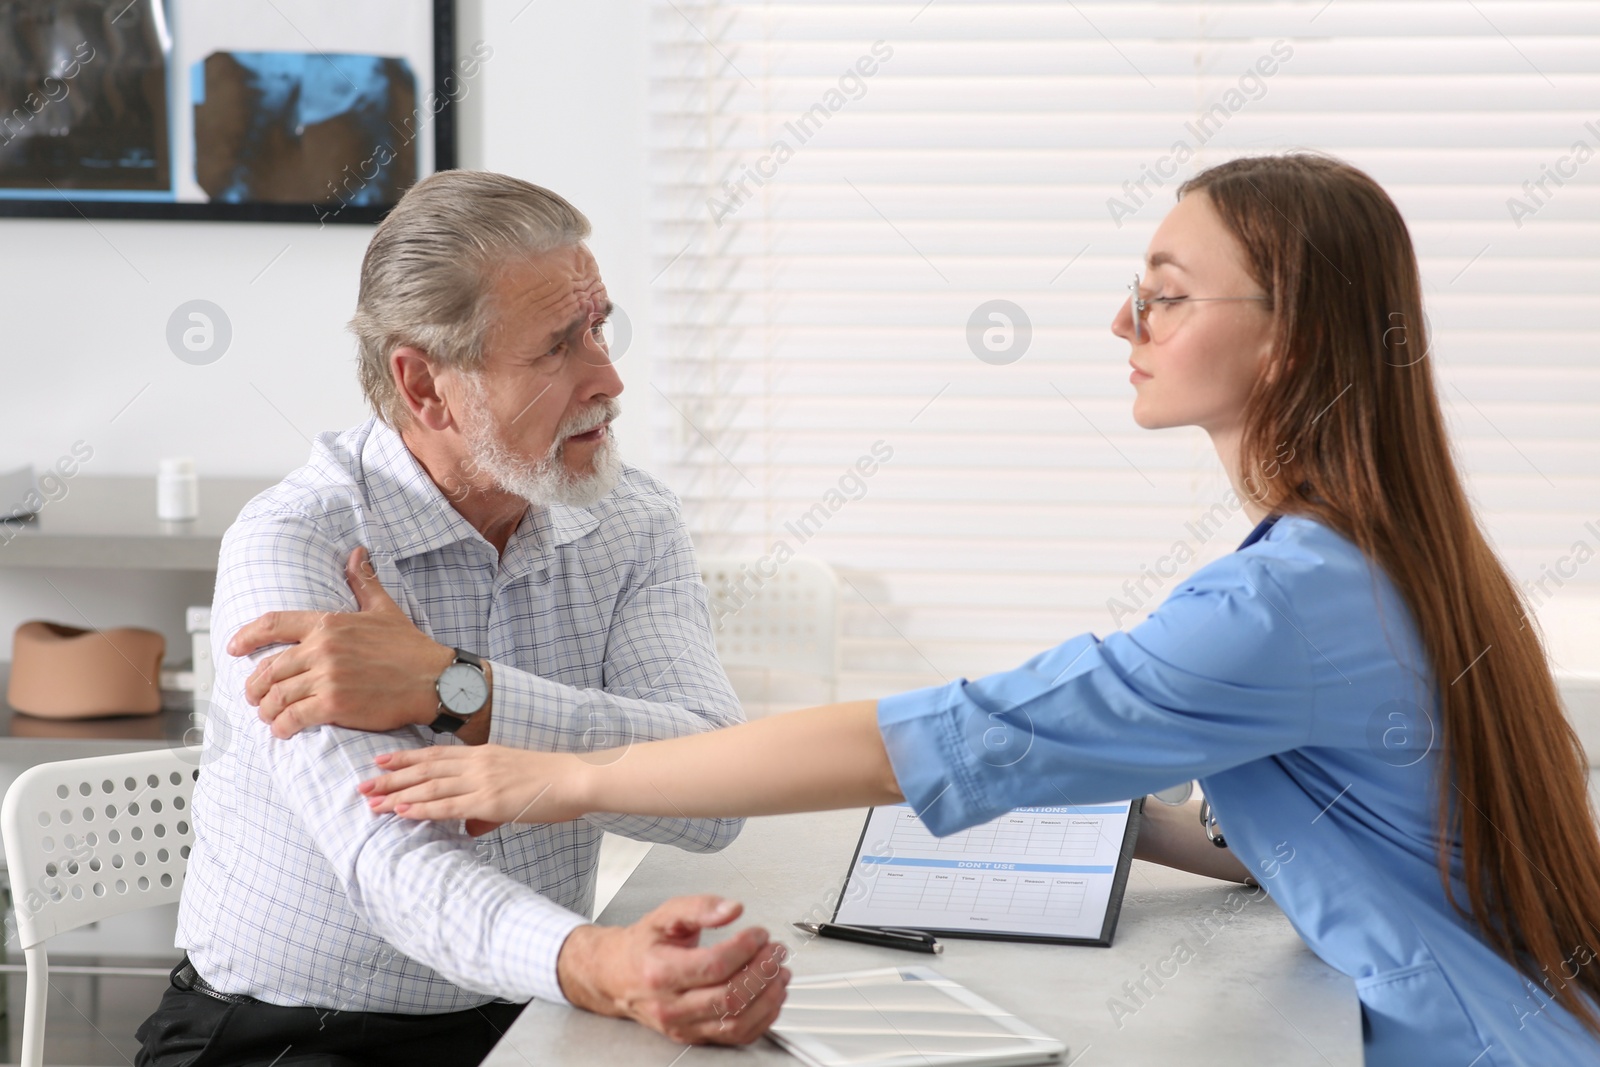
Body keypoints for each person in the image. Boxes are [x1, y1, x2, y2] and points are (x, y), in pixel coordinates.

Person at [358, 154, 1600, 1066]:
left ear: (1287, 340)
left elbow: (929, 736)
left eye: (1165, 292)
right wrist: (1135, 814)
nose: (1124, 319)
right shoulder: (1376, 552)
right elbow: (1302, 801)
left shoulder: (1281, 599)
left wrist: (548, 778)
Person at [135, 171, 789, 1067]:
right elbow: (390, 870)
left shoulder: (630, 520)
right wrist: (592, 960)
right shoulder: (297, 544)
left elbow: (713, 794)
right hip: (286, 1034)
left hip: (523, 1011)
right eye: (559, 347)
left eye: (599, 325)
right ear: (425, 385)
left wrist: (463, 691)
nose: (609, 375)